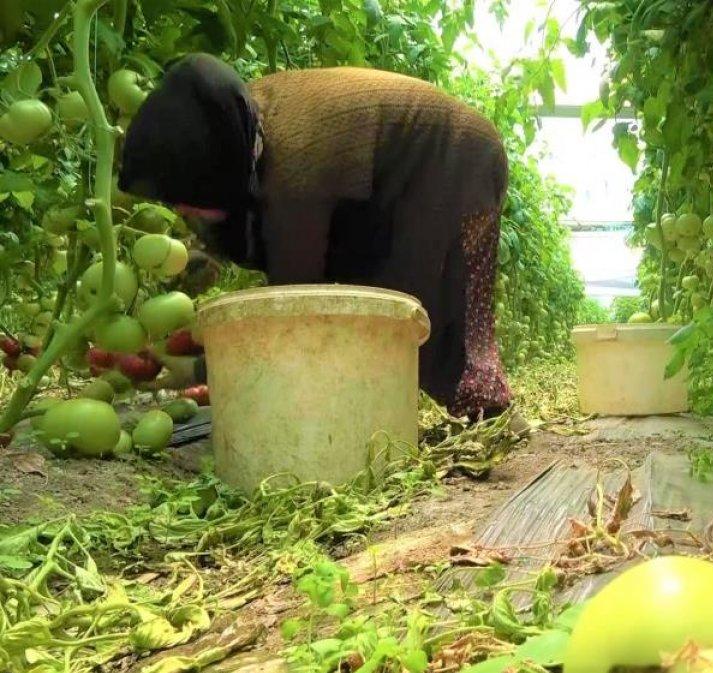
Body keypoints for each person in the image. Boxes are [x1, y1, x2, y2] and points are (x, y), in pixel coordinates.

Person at [119, 53, 519, 427]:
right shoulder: (236, 121)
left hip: (459, 158)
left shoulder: (296, 170)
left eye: (189, 203)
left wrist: (200, 369)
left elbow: (296, 310)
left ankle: (490, 415)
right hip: (397, 175)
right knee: (381, 298)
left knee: (412, 305)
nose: (183, 214)